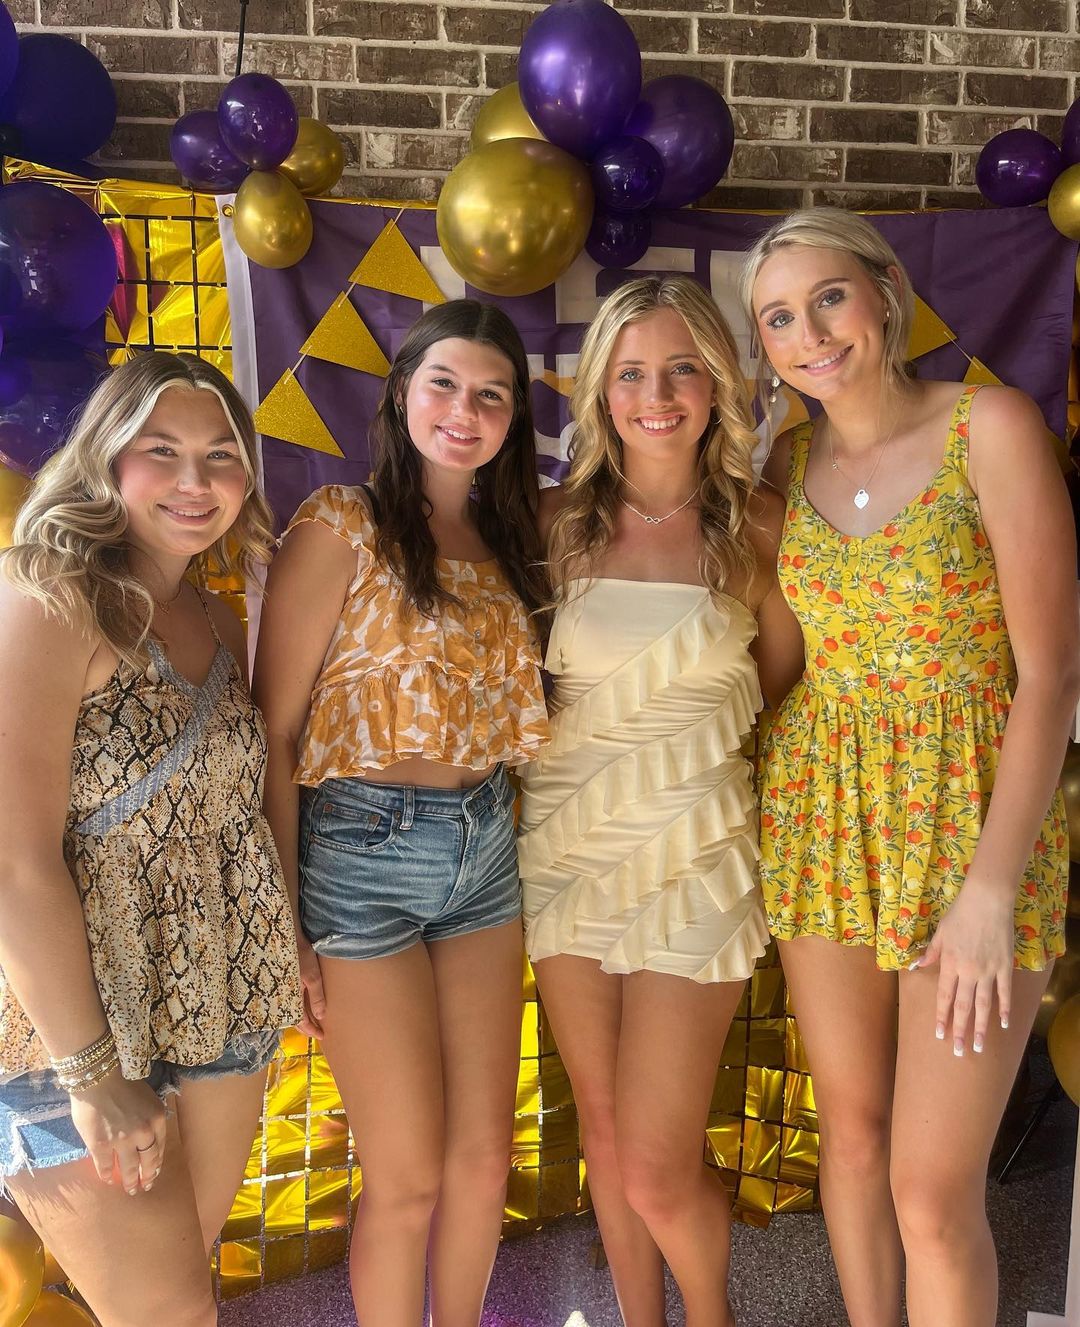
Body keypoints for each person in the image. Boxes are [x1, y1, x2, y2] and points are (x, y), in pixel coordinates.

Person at [740, 206, 1078, 1327]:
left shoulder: (992, 425)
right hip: (823, 812)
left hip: (970, 818)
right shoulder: (788, 461)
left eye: (828, 297)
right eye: (779, 318)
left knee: (931, 1194)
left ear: (885, 293)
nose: (810, 333)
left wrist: (990, 893)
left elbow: (1052, 678)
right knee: (854, 1136)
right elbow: (784, 664)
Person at [253, 300, 549, 1327]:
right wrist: (285, 922)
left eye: (491, 395)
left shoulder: (513, 539)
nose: (465, 411)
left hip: (486, 848)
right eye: (444, 384)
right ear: (400, 395)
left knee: (483, 1161)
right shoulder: (343, 523)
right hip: (360, 849)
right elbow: (274, 732)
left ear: (514, 417)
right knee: (408, 1174)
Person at [517, 274, 800, 1327]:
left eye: (683, 368)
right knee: (603, 1128)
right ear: (600, 389)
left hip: (697, 856)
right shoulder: (551, 524)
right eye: (632, 372)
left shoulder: (760, 529)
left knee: (654, 1159)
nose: (659, 394)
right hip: (567, 848)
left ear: (719, 382)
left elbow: (777, 683)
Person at [0, 351, 303, 1327]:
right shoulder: (48, 596)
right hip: (65, 1033)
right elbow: (12, 861)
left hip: (219, 1005)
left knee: (172, 1298)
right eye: (161, 450)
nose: (194, 480)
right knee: (172, 1312)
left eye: (221, 455)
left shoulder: (217, 615)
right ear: (106, 457)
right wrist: (92, 1074)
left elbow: (236, 810)